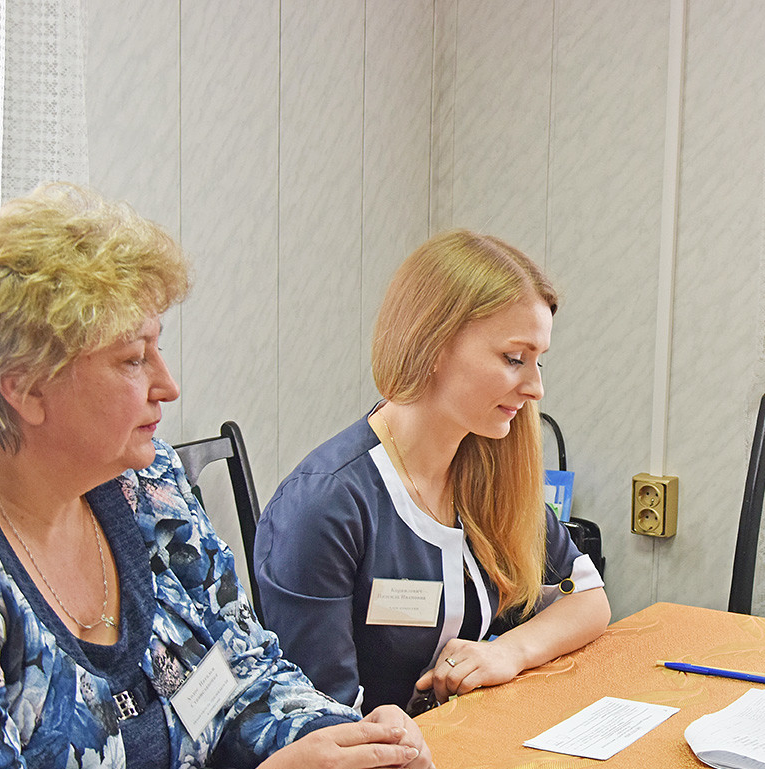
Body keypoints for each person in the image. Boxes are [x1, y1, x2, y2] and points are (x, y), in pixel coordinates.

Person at [0, 184, 436, 769]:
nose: (168, 386)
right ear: (23, 387)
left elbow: (238, 671)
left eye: (158, 348)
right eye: (131, 359)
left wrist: (346, 742)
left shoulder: (146, 483)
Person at [255, 229, 609, 713]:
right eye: (514, 359)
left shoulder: (485, 466)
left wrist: (509, 652)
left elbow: (587, 598)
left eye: (539, 362)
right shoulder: (324, 506)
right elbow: (321, 725)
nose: (535, 388)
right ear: (434, 344)